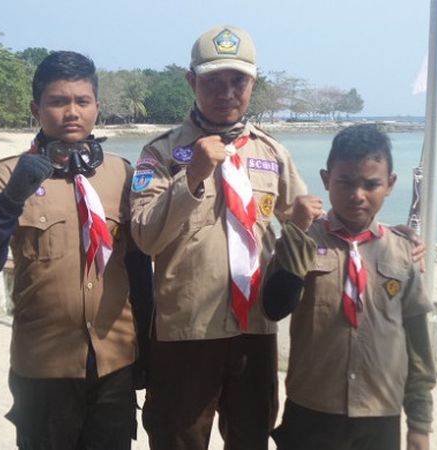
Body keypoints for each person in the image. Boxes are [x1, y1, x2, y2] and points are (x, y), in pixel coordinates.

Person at [129, 25, 314, 449]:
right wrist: (191, 176)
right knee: (179, 438)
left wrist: (374, 237)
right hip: (186, 332)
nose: (227, 92)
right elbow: (144, 237)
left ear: (252, 84)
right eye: (213, 80)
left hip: (256, 329)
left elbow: (304, 224)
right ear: (192, 81)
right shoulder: (160, 153)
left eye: (238, 81)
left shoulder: (272, 153)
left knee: (251, 436)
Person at [0, 50, 152, 449]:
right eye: (58, 101)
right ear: (36, 108)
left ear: (97, 106)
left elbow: (137, 269)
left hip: (114, 362)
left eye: (82, 101)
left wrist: (147, 354)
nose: (71, 112)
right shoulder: (4, 175)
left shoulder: (123, 174)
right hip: (42, 367)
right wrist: (11, 199)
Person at [262, 124, 436, 450]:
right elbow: (274, 305)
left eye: (372, 184)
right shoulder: (303, 240)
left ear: (390, 185)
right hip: (312, 409)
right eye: (345, 182)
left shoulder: (403, 252)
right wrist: (297, 234)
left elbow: (418, 349)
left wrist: (419, 425)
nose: (358, 195)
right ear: (327, 179)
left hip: (380, 412)